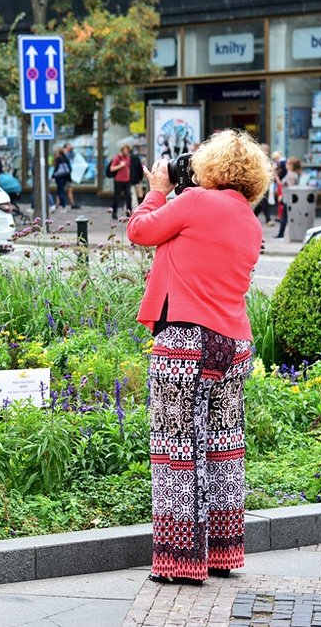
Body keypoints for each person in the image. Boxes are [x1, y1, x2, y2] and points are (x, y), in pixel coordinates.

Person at [126, 129, 265, 585]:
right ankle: (223, 553)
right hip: (234, 345)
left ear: (211, 167)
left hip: (185, 341)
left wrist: (157, 192)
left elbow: (140, 231)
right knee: (225, 448)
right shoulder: (250, 219)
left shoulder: (195, 203)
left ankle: (181, 561)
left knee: (177, 446)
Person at [274, 157, 302, 240]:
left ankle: (281, 235)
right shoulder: (293, 174)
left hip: (289, 199)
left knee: (285, 217)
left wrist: (282, 196)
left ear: (292, 166)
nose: (286, 164)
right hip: (291, 198)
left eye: (288, 163)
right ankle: (284, 234)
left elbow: (290, 188)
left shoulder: (290, 175)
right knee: (288, 217)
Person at [252, 144, 275, 225]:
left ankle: (253, 217)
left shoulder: (268, 160)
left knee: (262, 203)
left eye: (266, 150)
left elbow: (271, 171)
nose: (265, 152)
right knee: (263, 202)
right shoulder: (258, 159)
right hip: (260, 183)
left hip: (267, 183)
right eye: (263, 150)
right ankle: (268, 219)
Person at [109, 144, 132, 220]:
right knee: (117, 197)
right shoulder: (117, 158)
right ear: (122, 150)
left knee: (128, 197)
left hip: (127, 181)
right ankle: (114, 213)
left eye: (127, 151)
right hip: (118, 181)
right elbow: (112, 169)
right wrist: (120, 165)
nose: (127, 152)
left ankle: (129, 213)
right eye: (125, 150)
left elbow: (128, 167)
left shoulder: (128, 158)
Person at [52, 146, 71, 210]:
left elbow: (56, 168)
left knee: (60, 191)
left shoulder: (58, 159)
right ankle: (59, 204)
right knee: (60, 191)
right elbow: (70, 168)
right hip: (65, 177)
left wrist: (53, 176)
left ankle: (63, 206)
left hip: (59, 177)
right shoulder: (66, 158)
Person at [64, 143, 81, 209]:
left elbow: (74, 156)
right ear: (66, 147)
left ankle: (72, 203)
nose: (71, 147)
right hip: (64, 174)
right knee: (61, 190)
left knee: (69, 189)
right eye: (69, 146)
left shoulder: (70, 153)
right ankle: (57, 204)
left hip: (68, 174)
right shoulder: (64, 154)